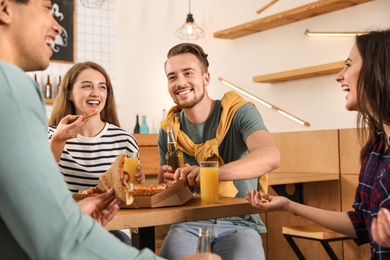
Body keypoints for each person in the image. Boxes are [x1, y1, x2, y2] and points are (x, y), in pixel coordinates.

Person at [0, 0, 219, 259]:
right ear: (5, 8)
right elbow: (57, 236)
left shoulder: (123, 138)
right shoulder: (13, 89)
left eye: (102, 86)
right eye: (48, 7)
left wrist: (78, 215)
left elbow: (28, 216)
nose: (58, 27)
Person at [246, 30, 390, 259]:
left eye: (349, 65)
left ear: (378, 70)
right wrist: (289, 206)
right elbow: (360, 223)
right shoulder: (375, 150)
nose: (339, 76)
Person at [157, 43, 281, 260]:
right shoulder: (168, 128)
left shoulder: (239, 112)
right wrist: (167, 183)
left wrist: (209, 173)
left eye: (188, 73)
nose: (180, 82)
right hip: (187, 223)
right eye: (172, 77)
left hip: (240, 223)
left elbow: (271, 156)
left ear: (206, 78)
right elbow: (166, 194)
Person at [47, 61, 145, 244]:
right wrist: (58, 141)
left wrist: (134, 186)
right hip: (65, 227)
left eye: (102, 87)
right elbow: (39, 182)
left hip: (113, 226)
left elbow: (130, 197)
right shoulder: (51, 136)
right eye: (86, 86)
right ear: (69, 93)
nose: (95, 93)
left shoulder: (125, 140)